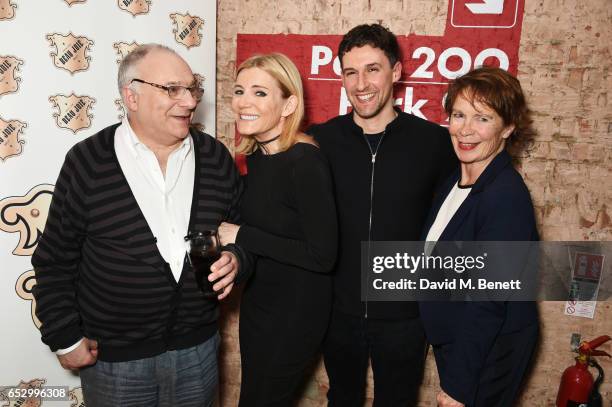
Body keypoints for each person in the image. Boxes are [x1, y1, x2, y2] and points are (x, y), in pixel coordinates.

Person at [31, 44, 252, 407]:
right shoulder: (87, 161)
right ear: (131, 96)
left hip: (197, 354)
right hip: (115, 364)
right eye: (172, 89)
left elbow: (243, 233)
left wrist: (238, 259)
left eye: (192, 89)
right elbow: (54, 260)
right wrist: (64, 337)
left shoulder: (215, 157)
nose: (190, 101)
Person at [307, 24, 457, 406]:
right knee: (342, 399)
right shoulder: (319, 141)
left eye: (373, 69)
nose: (361, 83)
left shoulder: (435, 144)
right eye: (350, 71)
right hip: (337, 310)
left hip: (406, 315)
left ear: (397, 72)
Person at [217, 53, 338, 406]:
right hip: (260, 304)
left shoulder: (305, 161)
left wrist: (241, 235)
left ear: (289, 105)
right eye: (240, 91)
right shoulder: (258, 158)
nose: (244, 103)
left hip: (296, 313)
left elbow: (322, 256)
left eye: (259, 93)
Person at [419, 66, 539, 407]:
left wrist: (457, 387)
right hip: (457, 341)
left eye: (482, 118)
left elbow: (488, 300)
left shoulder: (505, 196)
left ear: (508, 128)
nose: (465, 130)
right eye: (458, 115)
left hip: (488, 352)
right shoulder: (454, 182)